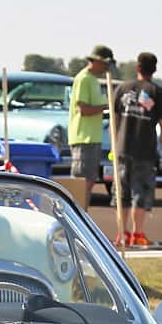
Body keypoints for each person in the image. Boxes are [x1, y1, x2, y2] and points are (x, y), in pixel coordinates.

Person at [113, 51, 162, 249]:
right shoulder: (157, 92)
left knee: (122, 193)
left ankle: (123, 234)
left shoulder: (122, 89)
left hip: (122, 150)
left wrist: (114, 145)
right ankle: (136, 234)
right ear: (154, 69)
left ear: (137, 67)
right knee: (140, 193)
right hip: (144, 152)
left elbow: (112, 120)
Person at [67, 44, 112, 207]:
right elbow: (83, 109)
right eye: (106, 63)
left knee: (90, 182)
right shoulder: (83, 78)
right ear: (97, 61)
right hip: (83, 137)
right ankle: (76, 219)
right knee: (81, 184)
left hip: (93, 137)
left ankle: (83, 215)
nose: (107, 67)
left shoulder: (93, 80)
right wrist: (107, 106)